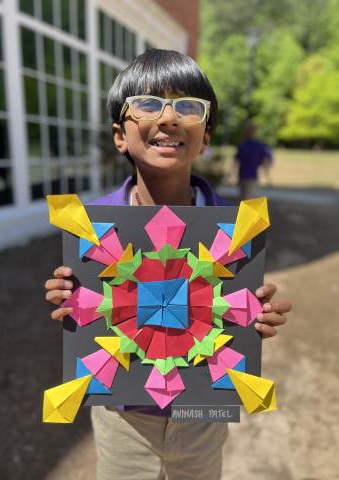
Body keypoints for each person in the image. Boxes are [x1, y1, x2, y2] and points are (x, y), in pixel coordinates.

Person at [44, 49, 291, 480]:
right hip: (121, 413)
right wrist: (68, 296)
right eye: (148, 104)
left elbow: (235, 309)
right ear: (120, 134)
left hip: (200, 412)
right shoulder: (91, 226)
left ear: (207, 136)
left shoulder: (234, 229)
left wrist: (259, 311)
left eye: (189, 107)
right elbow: (82, 308)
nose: (170, 118)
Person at [234, 122, 273, 199]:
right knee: (247, 200)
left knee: (246, 199)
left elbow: (235, 162)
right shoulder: (257, 145)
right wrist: (268, 177)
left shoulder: (243, 145)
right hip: (248, 177)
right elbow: (266, 161)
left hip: (246, 177)